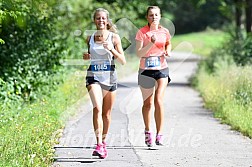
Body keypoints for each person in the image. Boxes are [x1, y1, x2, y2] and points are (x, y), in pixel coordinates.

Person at [83, 8, 126, 158]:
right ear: (94, 20)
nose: (100, 21)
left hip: (109, 77)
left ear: (107, 21)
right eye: (98, 18)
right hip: (93, 76)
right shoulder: (89, 37)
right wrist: (86, 56)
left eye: (103, 18)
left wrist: (112, 50)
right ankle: (98, 145)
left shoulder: (114, 38)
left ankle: (103, 141)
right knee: (97, 108)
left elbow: (123, 61)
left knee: (107, 114)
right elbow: (91, 55)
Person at [135, 6, 172, 147]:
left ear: (160, 16)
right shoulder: (142, 33)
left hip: (162, 69)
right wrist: (151, 42)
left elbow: (168, 43)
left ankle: (160, 134)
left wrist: (167, 51)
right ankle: (147, 131)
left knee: (158, 100)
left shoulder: (165, 31)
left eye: (156, 15)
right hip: (146, 70)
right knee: (148, 104)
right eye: (151, 15)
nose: (154, 17)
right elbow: (138, 53)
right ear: (147, 17)